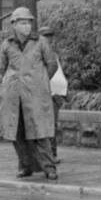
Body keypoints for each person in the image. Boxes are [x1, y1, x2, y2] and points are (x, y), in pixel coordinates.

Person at [0, 7, 58, 179]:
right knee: (17, 132)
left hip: (36, 94)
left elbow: (52, 64)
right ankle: (25, 166)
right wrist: (5, 85)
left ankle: (49, 167)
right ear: (14, 25)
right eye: (23, 23)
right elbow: (2, 68)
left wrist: (41, 81)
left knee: (40, 131)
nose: (27, 26)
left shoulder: (41, 42)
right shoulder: (7, 44)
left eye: (29, 23)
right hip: (14, 94)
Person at [39, 24, 64, 162]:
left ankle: (52, 154)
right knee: (46, 125)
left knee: (53, 125)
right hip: (45, 93)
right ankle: (47, 154)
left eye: (50, 36)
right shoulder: (38, 54)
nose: (48, 39)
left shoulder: (54, 54)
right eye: (45, 36)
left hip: (56, 94)